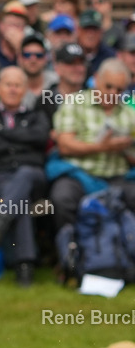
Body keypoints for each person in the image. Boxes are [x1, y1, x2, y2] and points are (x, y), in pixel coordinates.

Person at [0, 66, 49, 287]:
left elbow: (40, 140)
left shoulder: (37, 116)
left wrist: (3, 136)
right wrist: (22, 142)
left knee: (25, 174)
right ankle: (25, 266)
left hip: (33, 175)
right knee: (20, 201)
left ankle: (1, 222)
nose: (13, 90)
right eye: (8, 84)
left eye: (17, 85)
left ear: (25, 89)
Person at [48, 59, 135, 248]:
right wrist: (102, 147)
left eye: (119, 90)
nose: (113, 94)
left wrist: (126, 149)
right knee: (62, 196)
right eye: (109, 86)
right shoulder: (74, 103)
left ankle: (125, 256)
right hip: (78, 174)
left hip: (118, 176)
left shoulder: (130, 114)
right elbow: (65, 146)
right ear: (96, 79)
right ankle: (70, 255)